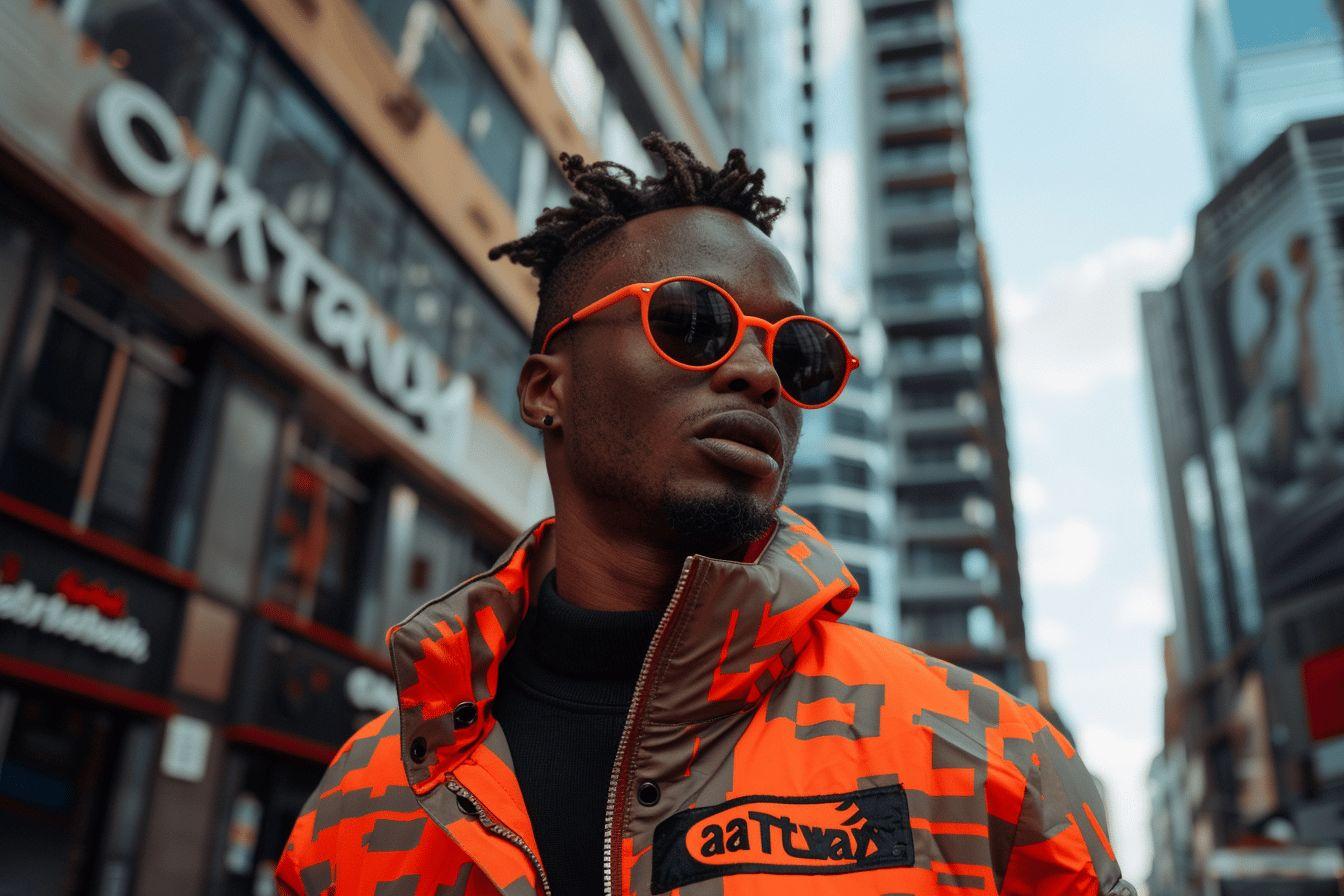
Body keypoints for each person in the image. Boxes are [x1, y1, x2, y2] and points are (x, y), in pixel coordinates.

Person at [276, 134, 1133, 896]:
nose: (760, 374)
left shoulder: (984, 763)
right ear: (547, 390)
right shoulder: (358, 808)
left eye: (797, 353)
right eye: (693, 322)